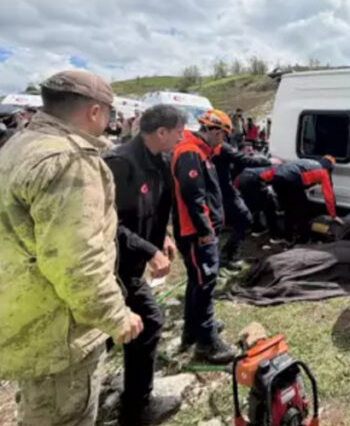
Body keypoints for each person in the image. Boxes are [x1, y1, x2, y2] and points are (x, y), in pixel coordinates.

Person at [0, 70, 143, 426]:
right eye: (109, 112)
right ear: (95, 112)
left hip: (25, 312)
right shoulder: (69, 162)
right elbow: (75, 260)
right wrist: (115, 315)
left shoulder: (19, 145)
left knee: (40, 405)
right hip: (60, 330)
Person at [104, 105, 187, 425]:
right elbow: (107, 224)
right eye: (178, 131)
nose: (182, 137)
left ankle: (131, 400)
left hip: (133, 264)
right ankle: (136, 406)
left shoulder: (161, 161)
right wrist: (149, 249)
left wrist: (163, 236)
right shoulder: (120, 163)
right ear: (161, 132)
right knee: (145, 322)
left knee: (129, 327)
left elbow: (154, 208)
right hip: (110, 266)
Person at [171, 108, 237, 363]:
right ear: (215, 131)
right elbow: (194, 198)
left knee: (197, 282)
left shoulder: (199, 151)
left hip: (199, 232)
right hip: (196, 234)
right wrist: (205, 232)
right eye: (223, 136)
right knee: (206, 282)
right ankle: (207, 344)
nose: (223, 141)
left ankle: (193, 329)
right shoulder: (190, 152)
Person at [212, 140, 271, 269]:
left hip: (224, 191)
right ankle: (225, 257)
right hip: (224, 192)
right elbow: (246, 161)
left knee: (242, 218)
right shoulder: (223, 148)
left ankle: (224, 256)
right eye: (247, 148)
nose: (250, 150)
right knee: (243, 219)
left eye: (251, 148)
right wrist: (270, 161)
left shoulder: (212, 149)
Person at [257, 156, 340, 244]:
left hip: (277, 179)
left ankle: (288, 238)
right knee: (303, 212)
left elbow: (283, 169)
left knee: (289, 211)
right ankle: (303, 240)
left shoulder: (307, 162)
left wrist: (262, 180)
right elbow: (329, 196)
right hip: (291, 181)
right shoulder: (323, 172)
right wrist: (333, 215)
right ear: (330, 167)